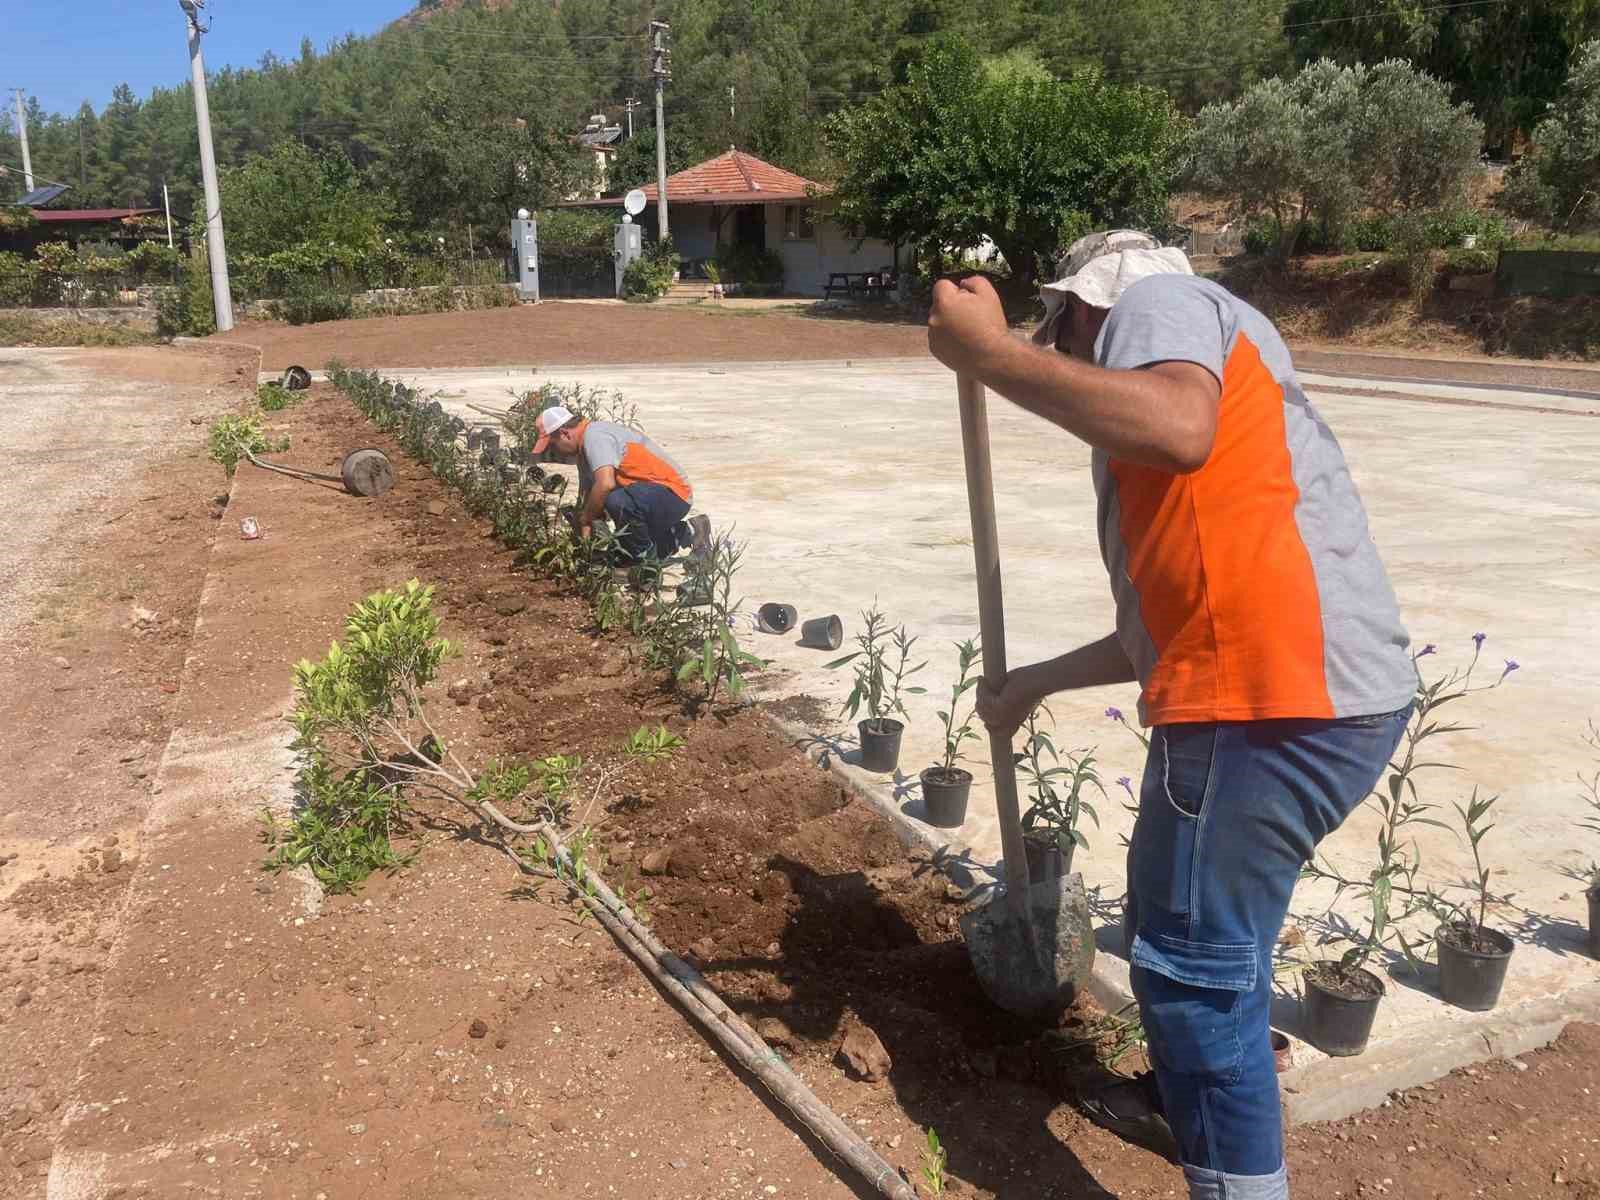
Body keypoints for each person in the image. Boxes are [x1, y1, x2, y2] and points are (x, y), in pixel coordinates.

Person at [927, 230, 1416, 1200]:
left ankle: (1234, 1169)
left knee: (1192, 972)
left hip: (1264, 706)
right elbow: (1155, 628)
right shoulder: (1190, 393)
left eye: (1058, 329)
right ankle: (1187, 1094)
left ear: (1086, 301)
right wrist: (1031, 683)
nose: (1061, 354)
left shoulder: (1153, 305)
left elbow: (1177, 428)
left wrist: (989, 353)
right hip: (1282, 693)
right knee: (1174, 913)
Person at [532, 404, 710, 564]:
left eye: (553, 445)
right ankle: (691, 532)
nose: (554, 451)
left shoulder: (595, 436)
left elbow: (605, 484)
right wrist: (583, 537)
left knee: (616, 500)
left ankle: (642, 562)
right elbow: (588, 497)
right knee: (628, 538)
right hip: (651, 498)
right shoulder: (584, 452)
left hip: (673, 494)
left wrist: (586, 519)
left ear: (565, 433)